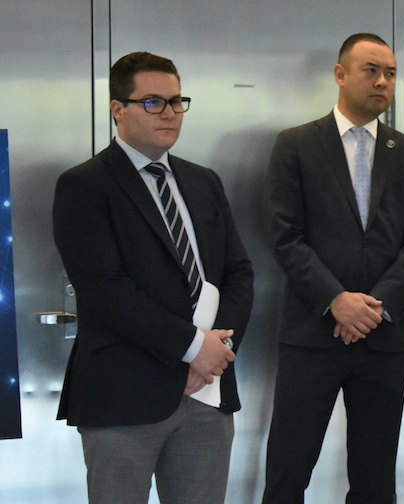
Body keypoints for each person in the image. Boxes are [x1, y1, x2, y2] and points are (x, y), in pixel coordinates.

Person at [52, 51, 254, 504]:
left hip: (208, 392)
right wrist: (191, 349)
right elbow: (105, 289)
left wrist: (216, 353)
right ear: (117, 108)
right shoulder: (84, 185)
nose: (169, 113)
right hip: (125, 394)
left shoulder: (204, 182)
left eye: (176, 101)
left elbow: (238, 273)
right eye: (152, 102)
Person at [262, 33, 404, 504]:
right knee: (288, 469)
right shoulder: (296, 145)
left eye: (391, 73)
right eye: (371, 70)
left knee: (375, 478)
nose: (383, 81)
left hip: (384, 337)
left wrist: (374, 309)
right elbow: (285, 236)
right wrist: (336, 301)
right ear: (340, 75)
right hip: (312, 334)